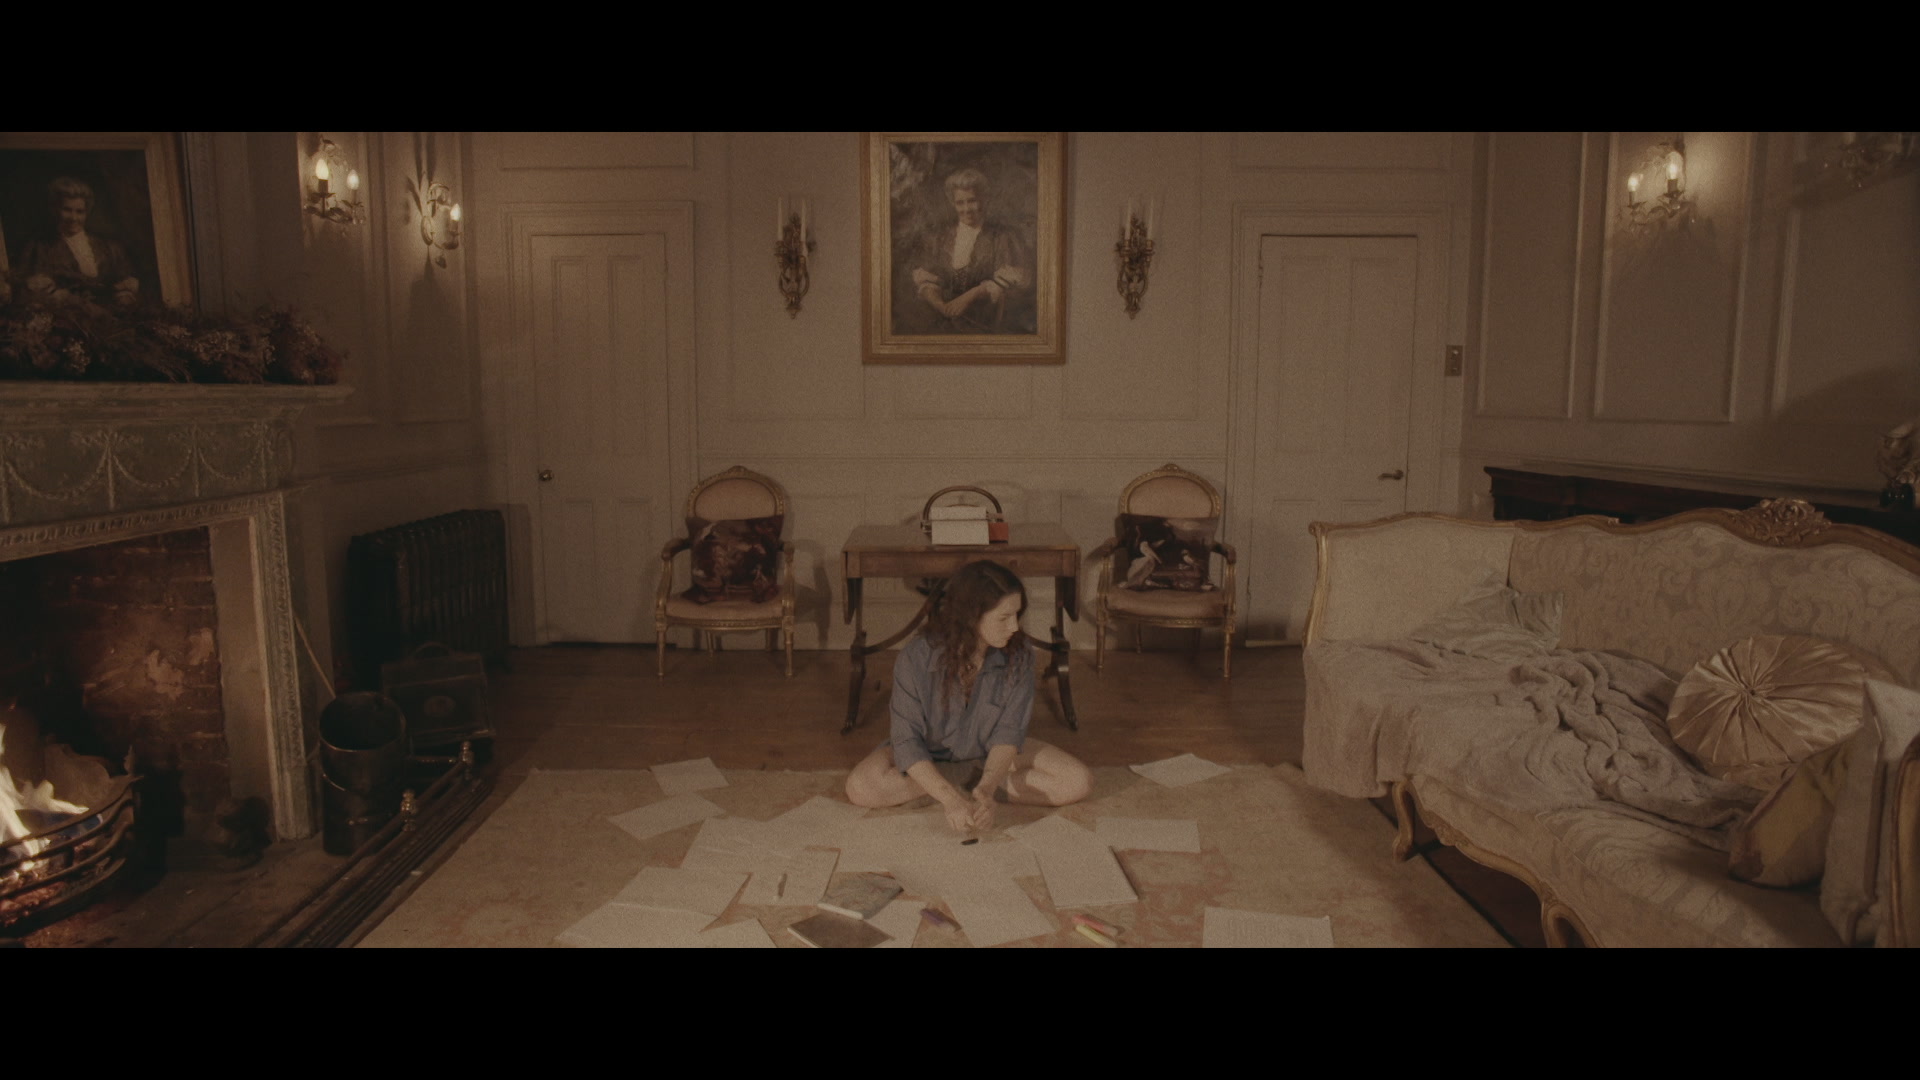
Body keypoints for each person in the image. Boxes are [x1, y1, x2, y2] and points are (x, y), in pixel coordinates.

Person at [844, 559, 1091, 832]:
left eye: (1017, 615)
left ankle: (970, 786)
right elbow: (906, 741)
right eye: (1004, 618)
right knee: (860, 787)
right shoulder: (916, 658)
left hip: (989, 754)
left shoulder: (1020, 655)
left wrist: (987, 788)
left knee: (1077, 781)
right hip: (928, 754)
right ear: (972, 617)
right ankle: (951, 783)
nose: (1014, 627)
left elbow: (1008, 734)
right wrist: (950, 799)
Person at [906, 167, 1033, 334]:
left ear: (984, 200)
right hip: (942, 325)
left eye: (972, 201)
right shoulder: (939, 239)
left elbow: (1016, 284)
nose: (966, 209)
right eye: (960, 203)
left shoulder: (1003, 237)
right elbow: (927, 280)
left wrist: (972, 294)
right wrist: (941, 306)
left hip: (985, 326)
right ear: (953, 203)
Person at [12, 176, 140, 305]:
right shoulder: (39, 247)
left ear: (87, 213)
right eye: (67, 210)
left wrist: (126, 294)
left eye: (80, 212)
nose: (73, 218)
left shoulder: (109, 247)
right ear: (55, 210)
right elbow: (26, 291)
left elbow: (125, 280)